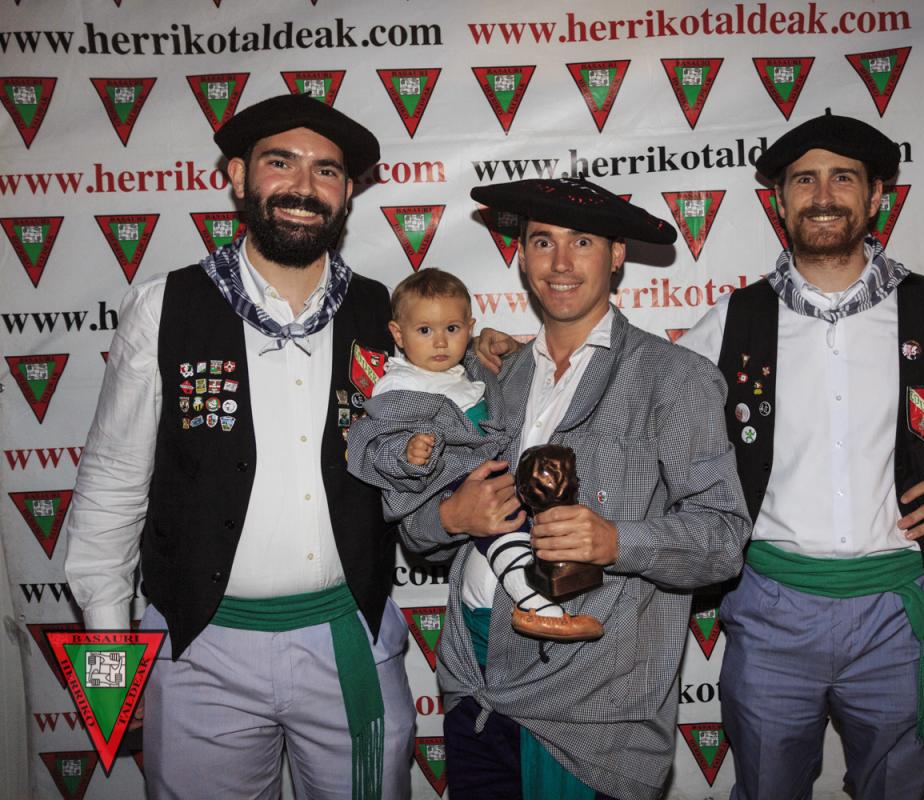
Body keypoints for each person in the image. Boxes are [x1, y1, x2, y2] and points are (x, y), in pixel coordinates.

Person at [678, 110, 924, 799]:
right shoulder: (736, 317)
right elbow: (646, 407)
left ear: (875, 197)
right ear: (780, 202)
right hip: (769, 611)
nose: (822, 195)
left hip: (901, 612)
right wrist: (521, 357)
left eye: (843, 178)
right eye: (803, 180)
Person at [63, 94, 416, 800]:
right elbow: (111, 487)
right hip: (196, 653)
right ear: (237, 176)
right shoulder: (164, 306)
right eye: (280, 163)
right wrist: (112, 676)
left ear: (347, 192)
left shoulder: (387, 314)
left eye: (326, 171)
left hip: (348, 640)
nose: (303, 187)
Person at [351, 177, 751, 800]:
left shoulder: (674, 376)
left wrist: (617, 541)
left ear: (617, 255)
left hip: (590, 710)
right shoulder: (489, 376)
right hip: (473, 684)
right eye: (543, 242)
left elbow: (723, 538)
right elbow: (419, 532)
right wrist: (453, 517)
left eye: (582, 241)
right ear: (521, 255)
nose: (560, 263)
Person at [374, 267, 603, 642]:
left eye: (452, 328)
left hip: (491, 475)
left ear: (469, 328)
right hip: (448, 483)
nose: (440, 342)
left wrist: (509, 356)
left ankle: (550, 591)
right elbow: (379, 442)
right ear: (398, 334)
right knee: (505, 533)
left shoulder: (466, 371)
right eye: (424, 330)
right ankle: (534, 604)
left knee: (525, 531)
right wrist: (407, 452)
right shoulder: (399, 384)